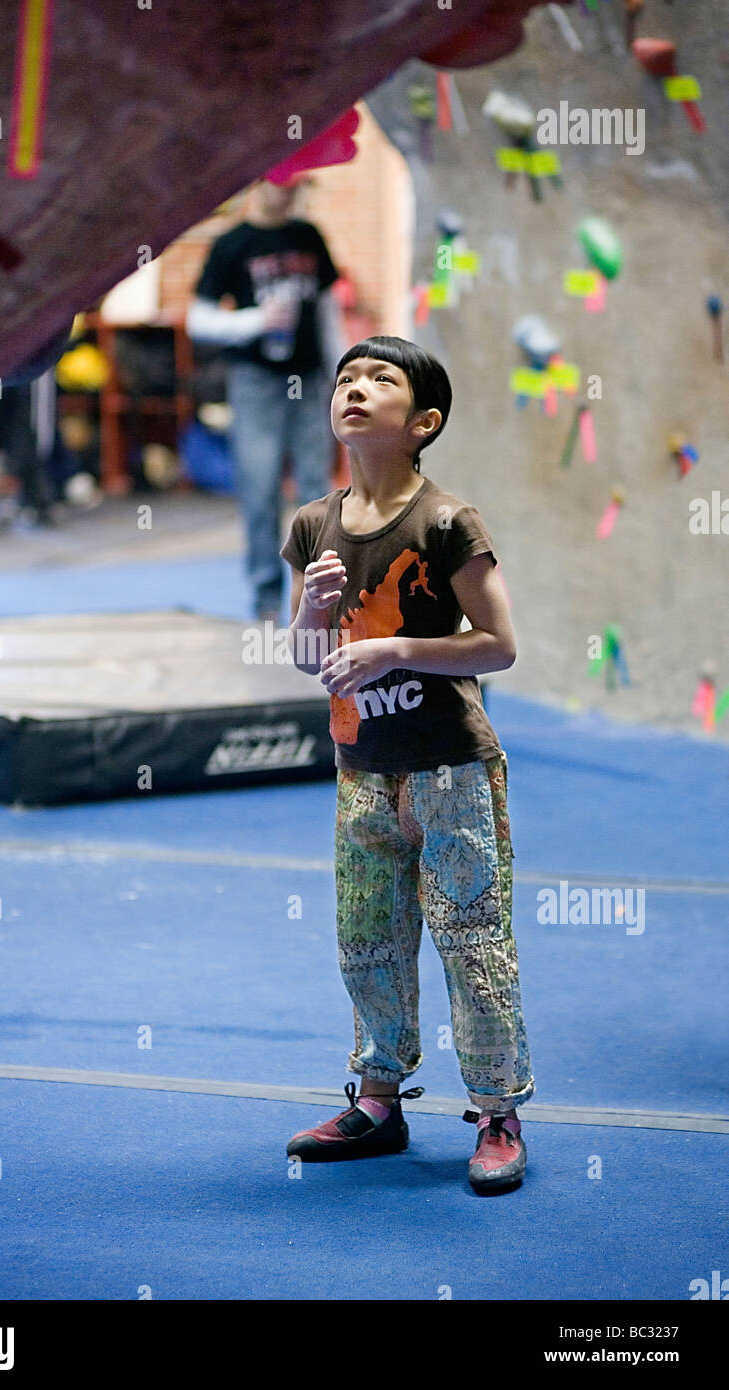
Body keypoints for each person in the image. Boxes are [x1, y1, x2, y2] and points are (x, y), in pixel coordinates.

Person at [280, 335, 535, 1191]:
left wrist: (395, 649)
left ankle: (497, 1112)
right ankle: (380, 1100)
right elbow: (306, 657)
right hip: (362, 770)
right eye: (345, 378)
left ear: (422, 422)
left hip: (450, 772)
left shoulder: (446, 521)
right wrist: (313, 613)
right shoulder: (312, 523)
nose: (354, 388)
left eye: (379, 380)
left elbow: (497, 646)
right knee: (367, 943)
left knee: (473, 944)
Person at [186, 177, 347, 623]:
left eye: (298, 184)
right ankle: (265, 599)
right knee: (259, 489)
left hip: (309, 378)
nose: (291, 191)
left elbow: (328, 312)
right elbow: (197, 320)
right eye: (283, 183)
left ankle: (321, 598)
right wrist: (254, 321)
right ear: (261, 181)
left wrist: (344, 375)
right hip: (255, 380)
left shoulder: (308, 237)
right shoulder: (232, 244)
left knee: (318, 492)